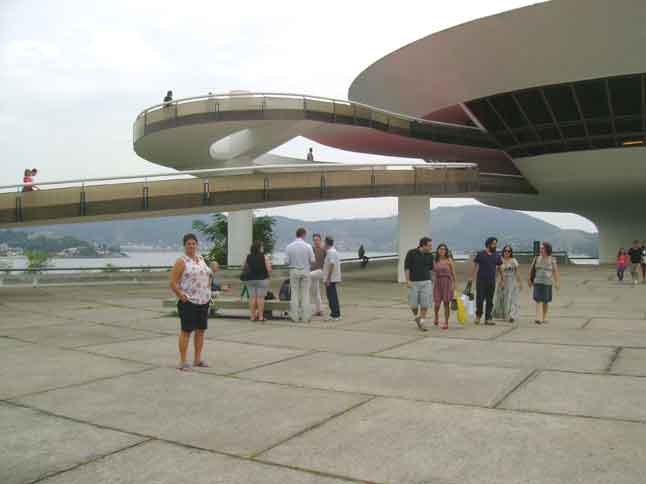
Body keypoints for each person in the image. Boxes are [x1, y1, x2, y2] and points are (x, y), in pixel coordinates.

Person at [169, 233, 211, 371]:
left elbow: (207, 275)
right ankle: (183, 361)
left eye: (194, 243)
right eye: (189, 244)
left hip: (203, 300)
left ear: (197, 245)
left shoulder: (201, 258)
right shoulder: (181, 261)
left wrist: (208, 290)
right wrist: (181, 295)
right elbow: (173, 282)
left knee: (200, 331)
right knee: (186, 331)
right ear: (185, 245)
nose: (192, 246)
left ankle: (197, 360)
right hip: (189, 301)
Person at [469, 237, 502, 325]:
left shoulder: (497, 255)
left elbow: (499, 267)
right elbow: (475, 265)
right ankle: (478, 316)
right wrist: (471, 277)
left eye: (496, 244)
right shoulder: (480, 254)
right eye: (494, 244)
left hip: (491, 281)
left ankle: (488, 318)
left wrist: (502, 279)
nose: (495, 245)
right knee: (479, 299)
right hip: (481, 281)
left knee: (490, 300)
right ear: (488, 244)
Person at [404, 237, 434, 331]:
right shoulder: (411, 253)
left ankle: (422, 322)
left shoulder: (430, 255)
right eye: (429, 246)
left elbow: (431, 269)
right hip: (413, 282)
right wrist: (407, 280)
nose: (430, 248)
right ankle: (417, 317)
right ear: (423, 245)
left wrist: (432, 280)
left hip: (426, 282)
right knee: (414, 305)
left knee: (425, 304)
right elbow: (407, 267)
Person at [285, 227, 315, 322]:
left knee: (294, 294)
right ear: (304, 234)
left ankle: (295, 316)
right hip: (305, 270)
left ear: (296, 234)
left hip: (293, 270)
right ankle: (305, 317)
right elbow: (313, 260)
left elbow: (286, 261)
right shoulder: (308, 246)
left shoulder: (289, 247)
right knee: (305, 294)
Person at [528, 241, 560, 324]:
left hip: (547, 282)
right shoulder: (536, 258)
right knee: (538, 300)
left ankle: (544, 316)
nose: (540, 249)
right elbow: (531, 270)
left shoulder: (552, 259)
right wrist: (529, 280)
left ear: (547, 249)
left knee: (545, 301)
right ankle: (538, 317)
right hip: (537, 282)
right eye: (540, 248)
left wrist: (557, 282)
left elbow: (555, 271)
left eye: (542, 248)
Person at [243, 240, 272, 321]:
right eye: (262, 247)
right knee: (260, 298)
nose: (263, 248)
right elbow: (269, 269)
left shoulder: (248, 256)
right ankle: (260, 316)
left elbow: (243, 267)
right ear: (259, 248)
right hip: (262, 279)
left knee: (252, 298)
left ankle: (252, 316)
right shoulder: (264, 257)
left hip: (250, 279)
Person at [493, 245, 522, 322]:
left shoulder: (513, 260)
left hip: (512, 281)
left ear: (511, 252)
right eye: (505, 251)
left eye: (509, 251)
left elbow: (517, 272)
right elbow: (496, 272)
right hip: (502, 281)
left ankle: (511, 315)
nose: (507, 252)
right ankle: (503, 314)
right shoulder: (499, 260)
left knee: (512, 298)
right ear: (503, 251)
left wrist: (520, 282)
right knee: (501, 298)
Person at [432, 243, 455, 329]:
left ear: (446, 251)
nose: (442, 250)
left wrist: (454, 284)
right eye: (440, 249)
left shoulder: (449, 260)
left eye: (444, 249)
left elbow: (453, 273)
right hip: (437, 282)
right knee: (437, 303)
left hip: (447, 282)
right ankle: (436, 316)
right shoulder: (434, 260)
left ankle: (446, 322)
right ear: (437, 250)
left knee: (446, 303)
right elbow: (432, 272)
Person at [323, 236, 342, 321]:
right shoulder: (333, 251)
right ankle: (334, 313)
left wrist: (328, 278)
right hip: (332, 278)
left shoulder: (331, 252)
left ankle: (335, 314)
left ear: (326, 243)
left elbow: (332, 264)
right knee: (331, 296)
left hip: (331, 278)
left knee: (332, 296)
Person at [309, 233, 326, 316]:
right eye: (314, 240)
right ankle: (319, 310)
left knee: (306, 275)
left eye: (317, 240)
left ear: (320, 240)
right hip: (313, 271)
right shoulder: (311, 249)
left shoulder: (324, 249)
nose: (316, 241)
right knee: (315, 292)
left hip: (321, 271)